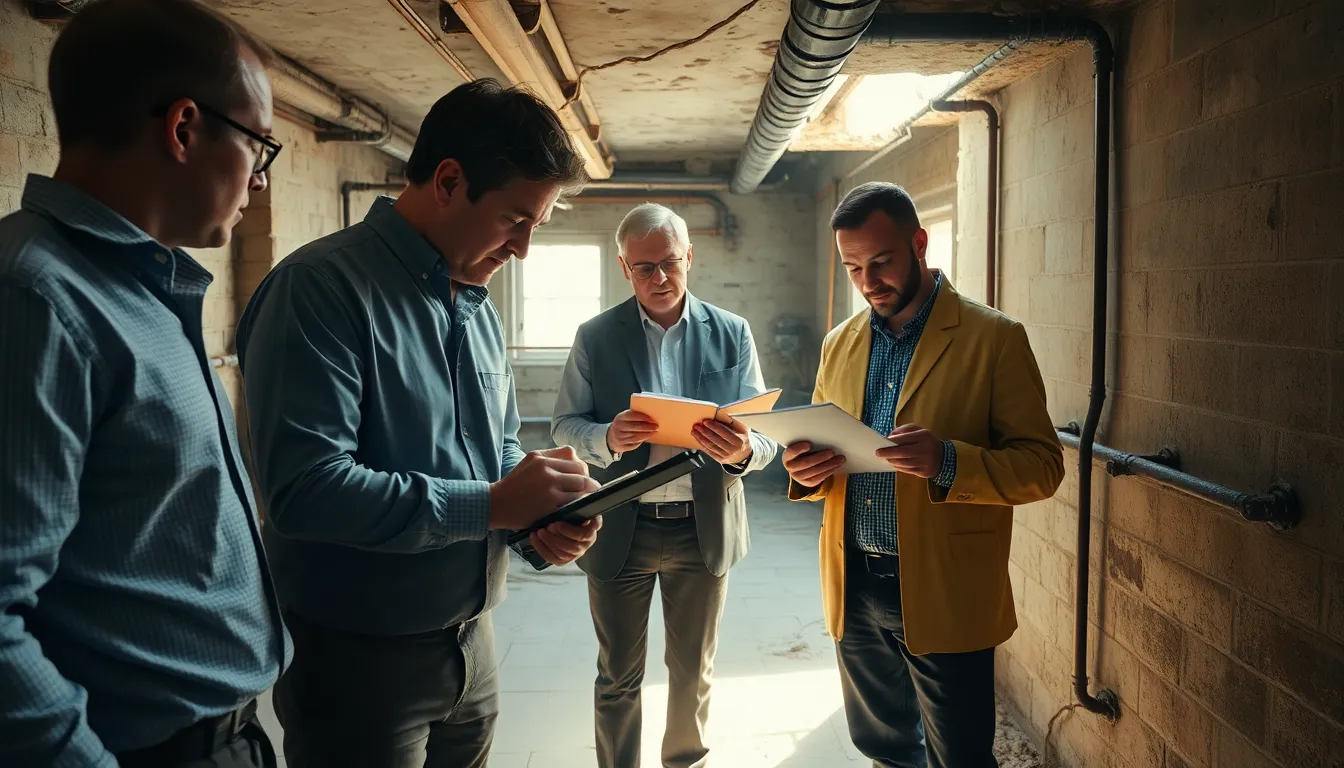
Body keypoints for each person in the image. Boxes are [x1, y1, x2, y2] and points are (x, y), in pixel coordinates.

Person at [236, 79, 601, 767]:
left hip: (475, 644)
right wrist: (494, 504)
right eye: (514, 220)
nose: (523, 248)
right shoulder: (321, 289)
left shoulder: (479, 308)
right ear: (449, 180)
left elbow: (495, 452)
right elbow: (305, 491)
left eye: (538, 227)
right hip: (357, 661)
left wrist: (534, 525)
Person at [0, 0, 289, 765]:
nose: (260, 183)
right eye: (260, 146)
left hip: (225, 735)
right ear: (184, 128)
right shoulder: (38, 300)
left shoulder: (141, 291)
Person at [783, 182, 1064, 768]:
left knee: (959, 756)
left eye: (881, 262)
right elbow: (817, 447)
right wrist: (804, 470)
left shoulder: (995, 339)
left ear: (919, 243)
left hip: (944, 585)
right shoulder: (840, 343)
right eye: (853, 267)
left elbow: (1042, 468)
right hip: (853, 583)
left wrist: (948, 462)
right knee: (882, 745)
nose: (868, 281)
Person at [551, 203, 778, 768]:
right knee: (618, 674)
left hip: (701, 530)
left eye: (670, 263)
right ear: (624, 267)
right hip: (618, 526)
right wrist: (607, 435)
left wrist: (745, 449)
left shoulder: (733, 332)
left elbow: (768, 435)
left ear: (690, 257)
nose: (659, 278)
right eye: (644, 267)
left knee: (693, 671)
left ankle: (685, 762)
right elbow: (563, 424)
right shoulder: (595, 336)